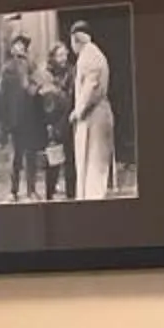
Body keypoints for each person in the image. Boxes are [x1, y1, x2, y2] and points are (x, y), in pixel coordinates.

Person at [69, 20, 116, 200]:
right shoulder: (90, 54)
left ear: (76, 39)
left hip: (94, 115)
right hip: (92, 114)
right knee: (88, 165)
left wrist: (78, 111)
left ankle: (92, 204)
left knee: (94, 166)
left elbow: (91, 87)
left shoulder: (90, 55)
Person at [0, 33, 41, 201]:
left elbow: (37, 88)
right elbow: (2, 96)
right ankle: (13, 190)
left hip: (30, 118)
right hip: (15, 119)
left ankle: (31, 189)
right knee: (16, 156)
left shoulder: (32, 66)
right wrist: (5, 122)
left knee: (31, 155)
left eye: (23, 47)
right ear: (11, 48)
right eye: (17, 46)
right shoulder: (7, 69)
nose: (20, 49)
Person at [39, 40, 75, 200]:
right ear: (53, 57)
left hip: (67, 118)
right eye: (59, 55)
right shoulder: (47, 73)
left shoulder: (71, 71)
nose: (63, 58)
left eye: (64, 54)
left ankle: (71, 193)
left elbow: (72, 94)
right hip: (52, 121)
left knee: (70, 159)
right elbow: (44, 99)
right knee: (53, 160)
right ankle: (50, 193)